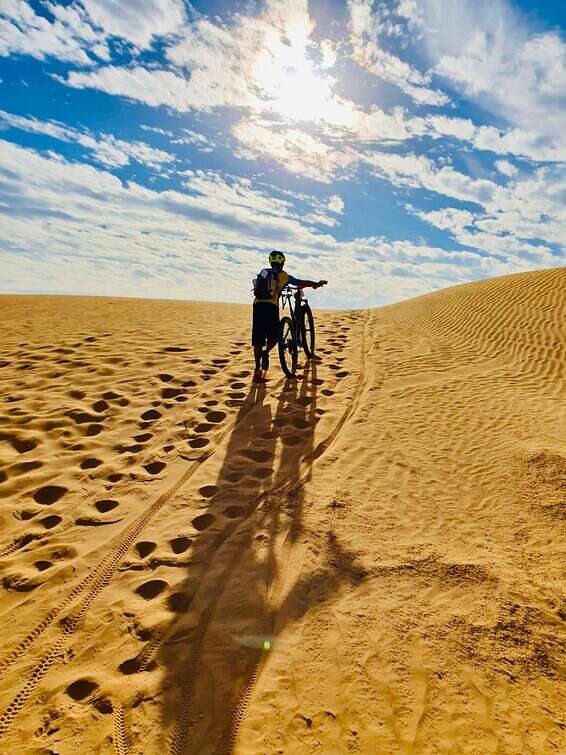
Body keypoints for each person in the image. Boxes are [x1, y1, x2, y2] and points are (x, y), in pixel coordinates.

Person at [252, 250, 326, 383]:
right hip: (271, 307)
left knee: (257, 339)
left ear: (270, 261)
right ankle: (266, 352)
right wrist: (315, 284)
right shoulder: (284, 276)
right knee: (274, 337)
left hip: (257, 306)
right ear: (283, 262)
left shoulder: (263, 272)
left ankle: (257, 370)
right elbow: (299, 282)